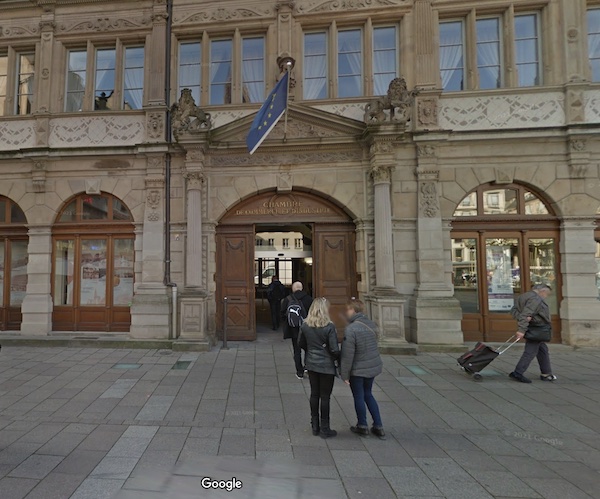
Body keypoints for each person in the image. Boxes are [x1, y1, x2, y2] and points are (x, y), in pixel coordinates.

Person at [340, 299, 385, 439]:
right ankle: (378, 426)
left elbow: (347, 355)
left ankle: (362, 425)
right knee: (368, 394)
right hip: (372, 366)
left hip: (358, 369)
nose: (347, 312)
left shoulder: (351, 329)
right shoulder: (371, 324)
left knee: (358, 396)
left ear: (353, 310)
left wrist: (344, 374)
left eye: (348, 309)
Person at [298, 298, 340, 439]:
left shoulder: (305, 325)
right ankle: (325, 428)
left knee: (314, 394)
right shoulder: (329, 327)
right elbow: (334, 349)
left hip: (311, 363)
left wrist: (311, 351)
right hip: (326, 366)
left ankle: (314, 425)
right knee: (325, 396)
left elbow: (300, 343)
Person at [509, 284, 557, 383]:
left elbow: (514, 311)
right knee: (530, 351)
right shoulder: (535, 299)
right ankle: (518, 372)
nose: (546, 296)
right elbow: (526, 314)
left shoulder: (524, 296)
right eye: (547, 294)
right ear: (542, 291)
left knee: (542, 349)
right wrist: (521, 330)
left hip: (533, 328)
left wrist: (525, 320)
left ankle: (546, 373)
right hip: (537, 328)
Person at [281, 281, 312, 379]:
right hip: (307, 328)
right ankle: (307, 367)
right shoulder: (309, 299)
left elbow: (282, 313)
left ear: (293, 289)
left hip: (294, 329)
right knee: (308, 349)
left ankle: (299, 372)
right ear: (302, 288)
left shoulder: (288, 299)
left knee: (296, 351)